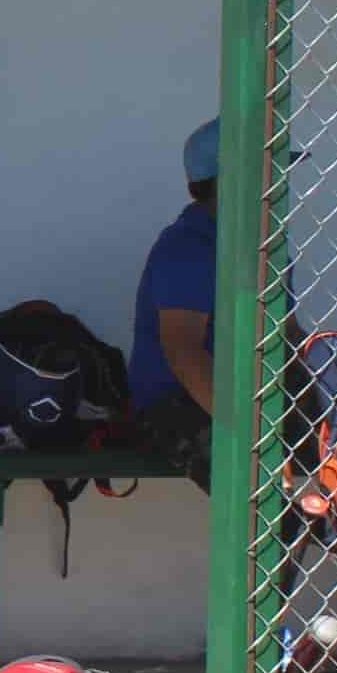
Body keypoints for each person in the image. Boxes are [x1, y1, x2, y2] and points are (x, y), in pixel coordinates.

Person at [131, 118, 224, 483]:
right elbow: (185, 352)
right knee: (240, 468)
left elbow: (291, 337)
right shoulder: (188, 246)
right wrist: (248, 433)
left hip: (253, 399)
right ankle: (311, 534)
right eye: (268, 171)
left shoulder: (267, 240)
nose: (279, 183)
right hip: (177, 403)